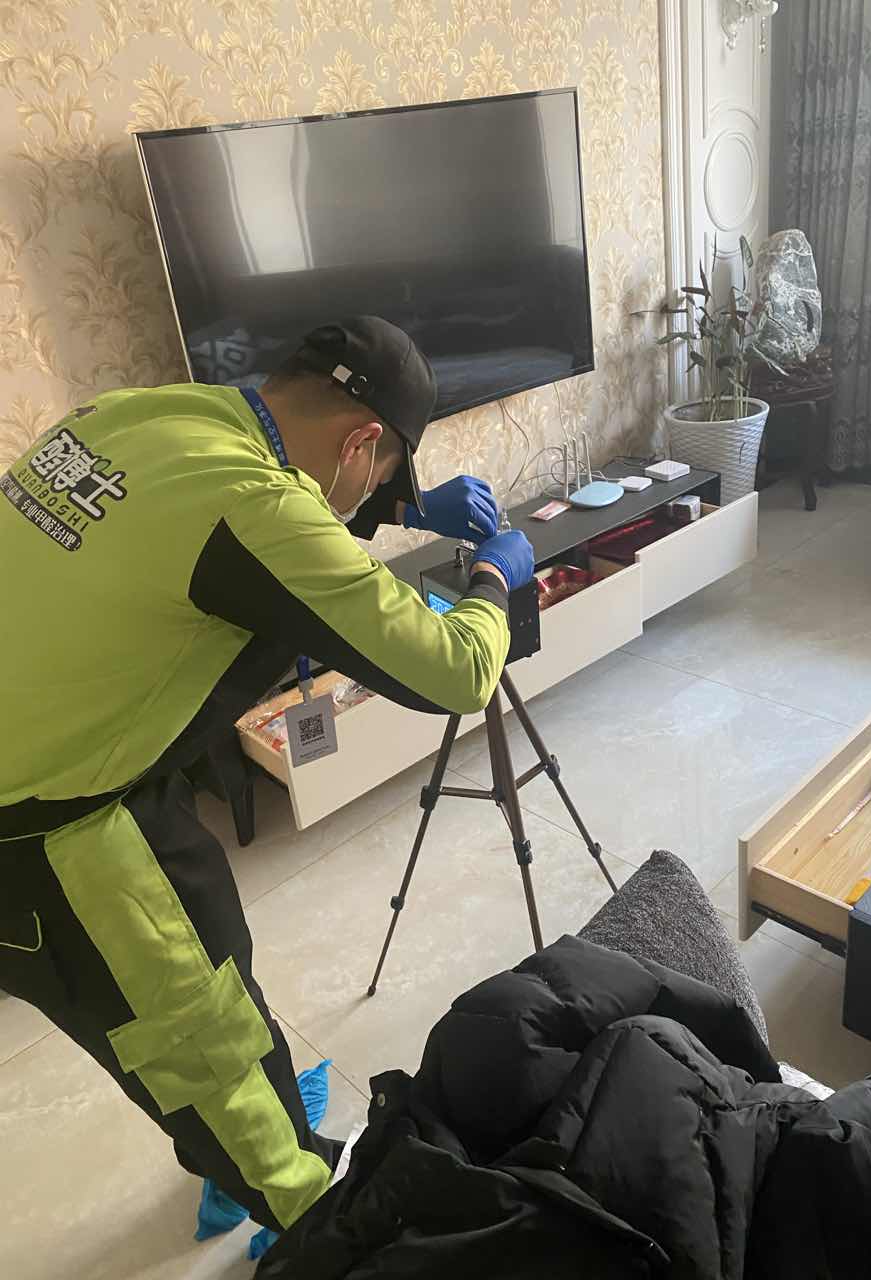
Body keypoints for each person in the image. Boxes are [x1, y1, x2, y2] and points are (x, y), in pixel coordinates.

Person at [0, 316, 534, 1235]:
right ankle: (304, 1210)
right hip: (49, 828)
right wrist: (494, 577)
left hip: (78, 747)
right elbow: (455, 672)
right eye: (381, 477)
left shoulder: (146, 414)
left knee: (214, 947)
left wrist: (393, 512)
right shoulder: (254, 504)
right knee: (196, 1030)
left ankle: (246, 1133)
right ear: (362, 441)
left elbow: (248, 531)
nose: (370, 497)